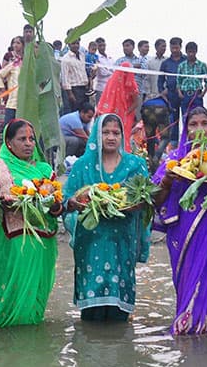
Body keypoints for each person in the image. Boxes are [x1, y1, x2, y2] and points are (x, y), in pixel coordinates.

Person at [152, 107, 207, 335]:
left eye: (204, 123)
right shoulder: (175, 161)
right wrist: (168, 182)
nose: (199, 129)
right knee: (191, 281)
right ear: (186, 129)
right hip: (186, 232)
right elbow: (155, 201)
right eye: (193, 124)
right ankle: (188, 328)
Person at [63, 113, 151, 321]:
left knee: (119, 302)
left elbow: (146, 197)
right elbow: (67, 198)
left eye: (116, 133)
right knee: (91, 309)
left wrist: (132, 205)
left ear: (122, 136)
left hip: (122, 239)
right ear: (96, 135)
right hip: (91, 241)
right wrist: (75, 203)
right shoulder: (82, 165)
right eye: (105, 132)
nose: (111, 137)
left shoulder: (135, 165)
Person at [0, 119, 63, 328]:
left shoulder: (45, 170)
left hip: (41, 245)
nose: (28, 144)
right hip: (10, 244)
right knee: (8, 295)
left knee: (35, 299)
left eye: (31, 139)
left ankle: (32, 338)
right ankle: (3, 340)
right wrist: (5, 204)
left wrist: (52, 203)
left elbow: (58, 208)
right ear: (9, 143)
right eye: (22, 139)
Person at [158, 37, 186, 146]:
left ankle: (185, 141)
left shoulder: (186, 60)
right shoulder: (166, 63)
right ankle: (173, 143)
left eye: (176, 47)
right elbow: (160, 79)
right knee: (173, 120)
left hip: (184, 94)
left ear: (180, 47)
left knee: (186, 118)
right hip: (171, 95)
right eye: (172, 48)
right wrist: (161, 92)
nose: (174, 50)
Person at [176, 41, 207, 128]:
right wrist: (180, 93)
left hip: (197, 95)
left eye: (193, 52)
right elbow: (178, 81)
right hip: (185, 95)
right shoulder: (182, 66)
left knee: (199, 118)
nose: (191, 54)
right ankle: (187, 139)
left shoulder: (202, 65)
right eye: (189, 52)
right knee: (186, 119)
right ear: (186, 52)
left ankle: (199, 139)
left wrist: (202, 94)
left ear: (196, 51)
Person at [0, 36, 23, 125]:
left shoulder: (30, 65)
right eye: (14, 43)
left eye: (18, 43)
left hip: (26, 103)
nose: (15, 45)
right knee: (8, 130)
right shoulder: (14, 64)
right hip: (12, 102)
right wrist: (3, 91)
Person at [59, 39, 88, 114]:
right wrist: (70, 94)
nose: (76, 45)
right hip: (73, 89)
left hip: (83, 88)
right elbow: (64, 77)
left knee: (83, 112)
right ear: (69, 45)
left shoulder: (82, 55)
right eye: (73, 43)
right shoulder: (66, 59)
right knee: (73, 112)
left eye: (77, 43)